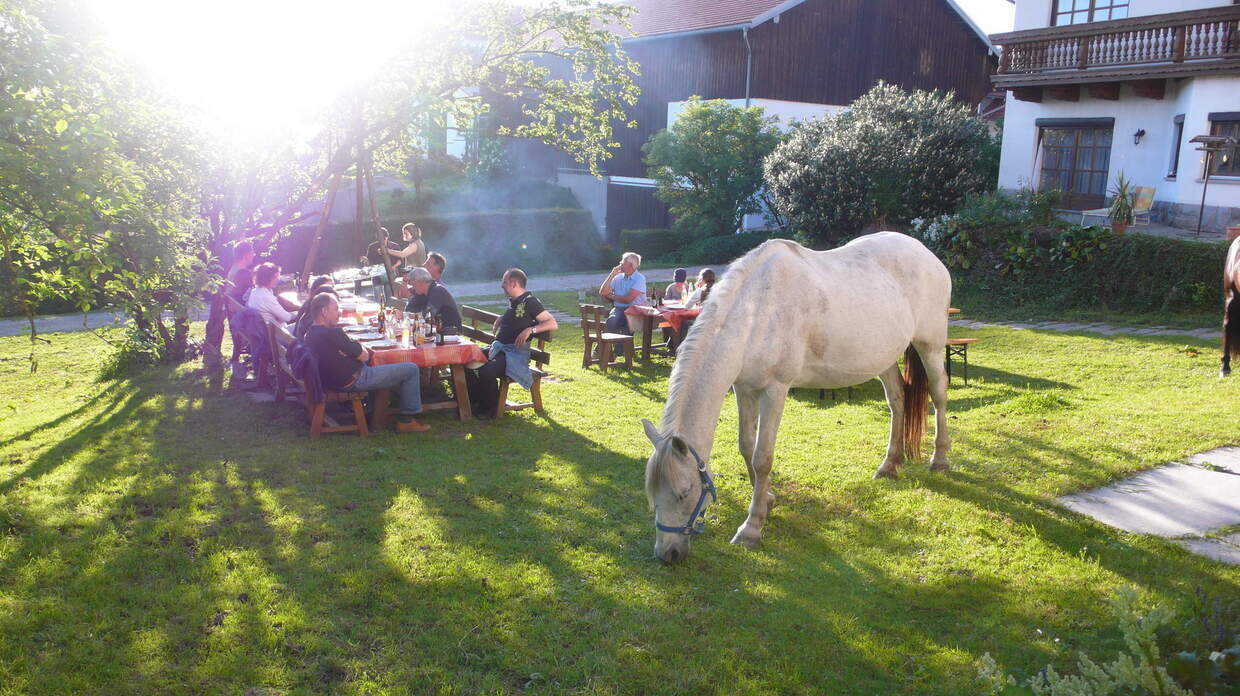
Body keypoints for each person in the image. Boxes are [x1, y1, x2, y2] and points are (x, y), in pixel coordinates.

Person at [303, 293, 429, 433]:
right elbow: (365, 356)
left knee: (382, 366)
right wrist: (354, 350)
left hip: (331, 380)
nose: (340, 313)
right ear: (324, 312)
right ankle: (407, 421)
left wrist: (349, 351)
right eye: (336, 309)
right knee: (411, 369)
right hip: (354, 379)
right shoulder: (333, 334)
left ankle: (374, 416)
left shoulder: (310, 333)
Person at [466, 268, 558, 420]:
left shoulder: (530, 302)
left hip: (514, 355)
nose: (502, 285)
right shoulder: (515, 302)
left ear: (514, 283)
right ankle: (476, 400)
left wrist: (530, 330)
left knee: (486, 371)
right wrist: (504, 317)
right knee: (466, 360)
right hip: (500, 349)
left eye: (505, 282)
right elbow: (517, 319)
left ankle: (491, 408)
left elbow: (552, 323)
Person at [598, 251, 646, 334]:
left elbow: (627, 299)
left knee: (621, 329)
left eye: (623, 263)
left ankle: (602, 345)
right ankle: (603, 344)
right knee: (613, 321)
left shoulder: (640, 278)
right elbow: (603, 292)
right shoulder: (618, 277)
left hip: (634, 312)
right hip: (619, 310)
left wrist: (611, 296)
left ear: (631, 265)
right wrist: (612, 274)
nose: (620, 265)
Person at [405, 266, 461, 330]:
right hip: (435, 330)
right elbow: (409, 309)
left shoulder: (437, 291)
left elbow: (429, 315)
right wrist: (408, 314)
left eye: (413, 285)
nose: (413, 288)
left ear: (420, 282)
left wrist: (414, 315)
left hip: (450, 332)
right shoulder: (421, 292)